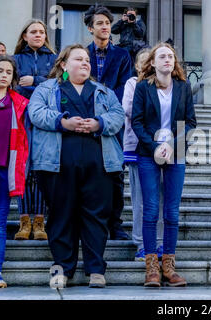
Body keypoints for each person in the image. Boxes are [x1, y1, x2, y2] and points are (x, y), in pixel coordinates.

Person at [28, 44, 124, 288]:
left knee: (96, 215)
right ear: (63, 64)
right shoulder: (46, 88)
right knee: (62, 215)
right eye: (79, 59)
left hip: (99, 163)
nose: (85, 63)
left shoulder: (103, 91)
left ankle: (95, 270)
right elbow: (35, 112)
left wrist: (99, 123)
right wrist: (63, 122)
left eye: (87, 60)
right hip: (57, 164)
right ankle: (62, 269)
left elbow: (119, 116)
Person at [132, 42, 196, 287]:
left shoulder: (183, 87)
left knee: (171, 211)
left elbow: (190, 121)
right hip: (149, 152)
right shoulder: (142, 87)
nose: (167, 59)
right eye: (162, 56)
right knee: (150, 209)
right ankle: (151, 268)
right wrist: (154, 146)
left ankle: (168, 266)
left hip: (176, 152)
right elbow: (137, 122)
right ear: (153, 62)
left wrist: (173, 143)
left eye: (170, 56)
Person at [84, 5, 132, 240]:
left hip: (114, 121)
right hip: (86, 120)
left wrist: (108, 110)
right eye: (100, 23)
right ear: (90, 28)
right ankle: (92, 223)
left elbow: (124, 86)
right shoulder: (83, 54)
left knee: (115, 175)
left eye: (107, 23)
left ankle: (115, 224)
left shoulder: (122, 55)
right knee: (90, 174)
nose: (105, 27)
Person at [0, 56, 29, 288]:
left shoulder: (18, 103)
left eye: (8, 72)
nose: (4, 75)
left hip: (5, 169)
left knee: (0, 223)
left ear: (13, 78)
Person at [13, 19, 57, 241]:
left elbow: (65, 78)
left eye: (41, 32)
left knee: (39, 170)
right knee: (24, 169)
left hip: (45, 120)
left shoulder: (54, 59)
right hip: (21, 119)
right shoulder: (16, 59)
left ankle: (39, 222)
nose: (38, 35)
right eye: (33, 32)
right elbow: (12, 84)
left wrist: (36, 80)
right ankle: (24, 221)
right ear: (25, 36)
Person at [122, 48, 165, 261]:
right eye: (144, 61)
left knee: (161, 198)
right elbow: (130, 110)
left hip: (165, 148)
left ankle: (159, 242)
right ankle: (141, 242)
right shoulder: (133, 84)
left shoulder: (168, 85)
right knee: (141, 198)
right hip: (138, 146)